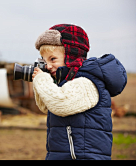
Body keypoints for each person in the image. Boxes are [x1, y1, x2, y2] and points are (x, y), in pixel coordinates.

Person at [32, 24, 127, 160]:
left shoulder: (86, 83)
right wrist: (39, 81)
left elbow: (60, 104)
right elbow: (46, 106)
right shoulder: (67, 82)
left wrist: (42, 79)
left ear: (71, 55)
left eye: (52, 59)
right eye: (44, 60)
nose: (47, 66)